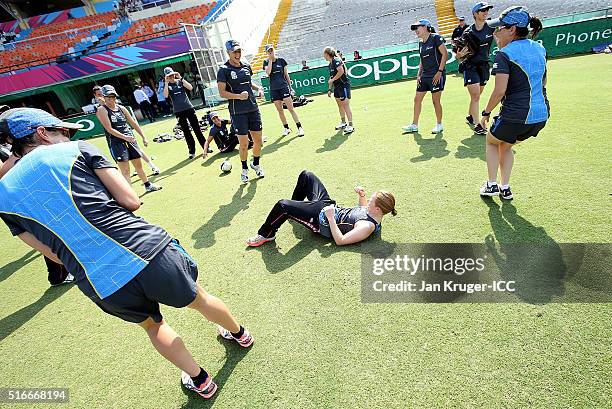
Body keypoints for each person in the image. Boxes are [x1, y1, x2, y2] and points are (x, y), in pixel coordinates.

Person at [0, 107, 253, 400]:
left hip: (100, 280)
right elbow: (131, 200)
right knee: (200, 298)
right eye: (61, 131)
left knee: (153, 327)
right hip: (147, 250)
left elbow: (55, 256)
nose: (66, 136)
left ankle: (201, 381)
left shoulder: (3, 196)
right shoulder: (77, 150)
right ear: (42, 133)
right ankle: (239, 334)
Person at [479, 7, 548, 200]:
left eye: (499, 28)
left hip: (516, 114)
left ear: (512, 29)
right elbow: (543, 83)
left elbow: (499, 90)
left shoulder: (505, 54)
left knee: (492, 141)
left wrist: (485, 112)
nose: (495, 32)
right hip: (541, 115)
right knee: (506, 144)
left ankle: (492, 185)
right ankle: (505, 188)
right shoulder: (540, 48)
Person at [247, 170, 396, 247]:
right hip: (328, 206)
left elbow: (341, 240)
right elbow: (361, 211)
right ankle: (296, 209)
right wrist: (362, 196)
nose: (369, 200)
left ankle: (267, 234)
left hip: (321, 220)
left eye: (371, 200)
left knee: (282, 205)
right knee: (307, 175)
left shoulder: (366, 227)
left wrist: (331, 218)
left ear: (378, 209)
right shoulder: (372, 212)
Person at [96, 85, 161, 193]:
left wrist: (143, 137)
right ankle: (131, 195)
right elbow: (109, 128)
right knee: (126, 171)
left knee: (138, 166)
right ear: (104, 96)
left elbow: (133, 122)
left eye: (113, 97)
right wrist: (125, 137)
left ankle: (148, 185)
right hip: (116, 142)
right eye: (109, 97)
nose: (111, 99)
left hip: (130, 139)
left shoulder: (121, 108)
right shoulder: (102, 110)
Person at [216, 39, 265, 184]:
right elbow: (222, 93)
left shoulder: (246, 65)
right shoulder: (223, 70)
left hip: (253, 109)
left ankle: (255, 164)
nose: (237, 54)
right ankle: (244, 170)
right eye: (234, 52)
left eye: (239, 51)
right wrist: (238, 97)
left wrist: (259, 89)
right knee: (243, 144)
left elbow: (249, 83)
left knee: (259, 142)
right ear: (228, 52)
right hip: (238, 113)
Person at [402, 19, 448, 134]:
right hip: (424, 76)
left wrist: (440, 71)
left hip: (436, 75)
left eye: (418, 27)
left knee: (435, 101)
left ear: (426, 27)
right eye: (415, 29)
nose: (416, 30)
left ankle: (439, 124)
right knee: (417, 100)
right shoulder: (421, 43)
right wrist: (419, 75)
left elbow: (445, 54)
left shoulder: (436, 38)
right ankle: (414, 125)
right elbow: (422, 61)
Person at [461, 2, 495, 134]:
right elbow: (459, 53)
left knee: (477, 94)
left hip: (484, 65)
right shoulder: (467, 32)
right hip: (471, 66)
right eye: (482, 10)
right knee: (475, 96)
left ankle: (470, 116)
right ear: (475, 14)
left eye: (487, 10)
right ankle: (477, 125)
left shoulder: (491, 26)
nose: (486, 12)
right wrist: (459, 55)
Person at [163, 66, 208, 159]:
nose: (171, 77)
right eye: (169, 76)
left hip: (189, 108)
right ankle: (192, 152)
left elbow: (190, 87)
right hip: (179, 112)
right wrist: (166, 83)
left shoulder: (180, 81)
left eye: (172, 75)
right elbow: (166, 95)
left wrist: (180, 78)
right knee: (186, 132)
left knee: (197, 129)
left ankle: (205, 148)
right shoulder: (167, 86)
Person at [263, 44, 305, 137]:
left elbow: (286, 75)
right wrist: (270, 60)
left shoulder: (281, 61)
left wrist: (290, 87)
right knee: (280, 110)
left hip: (283, 87)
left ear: (274, 50)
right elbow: (268, 73)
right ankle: (286, 128)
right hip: (274, 89)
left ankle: (300, 127)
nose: (271, 52)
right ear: (266, 53)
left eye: (271, 50)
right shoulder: (266, 62)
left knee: (291, 108)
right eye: (268, 51)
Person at [324, 46, 354, 134]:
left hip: (344, 85)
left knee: (345, 105)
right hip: (337, 87)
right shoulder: (330, 64)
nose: (323, 56)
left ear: (327, 54)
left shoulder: (336, 60)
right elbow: (332, 77)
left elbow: (341, 71)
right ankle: (343, 123)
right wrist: (329, 89)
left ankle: (351, 125)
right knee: (340, 105)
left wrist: (332, 80)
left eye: (324, 54)